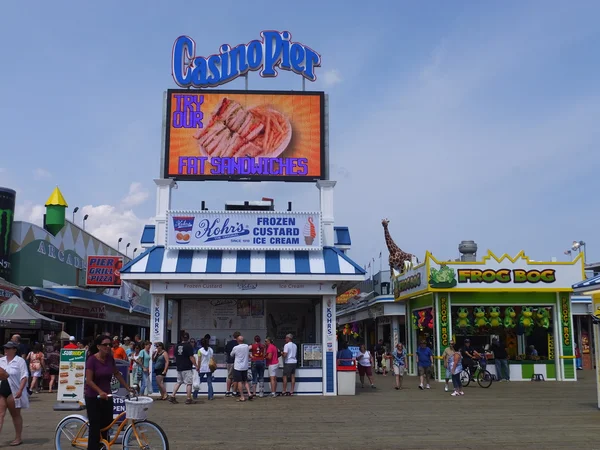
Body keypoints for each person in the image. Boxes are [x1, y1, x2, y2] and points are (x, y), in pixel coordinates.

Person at [85, 335, 134, 450]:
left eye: (109, 345)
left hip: (107, 396)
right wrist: (100, 392)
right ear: (98, 346)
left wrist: (127, 387)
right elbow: (89, 380)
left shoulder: (109, 359)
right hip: (94, 397)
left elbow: (116, 373)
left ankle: (103, 447)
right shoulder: (92, 360)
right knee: (95, 426)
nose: (108, 347)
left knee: (107, 425)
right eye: (105, 345)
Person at [0, 341, 28, 446]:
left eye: (8, 348)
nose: (6, 350)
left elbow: (24, 376)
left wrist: (20, 390)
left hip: (14, 391)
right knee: (0, 414)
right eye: (5, 348)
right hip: (2, 390)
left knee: (15, 415)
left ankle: (18, 437)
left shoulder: (20, 361)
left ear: (14, 350)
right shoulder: (1, 360)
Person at [169, 332, 196, 405]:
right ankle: (188, 398)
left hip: (179, 367)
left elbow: (175, 356)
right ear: (188, 338)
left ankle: (172, 396)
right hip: (187, 367)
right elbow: (191, 357)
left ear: (181, 338)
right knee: (189, 383)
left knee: (178, 382)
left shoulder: (177, 346)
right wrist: (196, 365)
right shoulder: (188, 346)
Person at [230, 335, 251, 402]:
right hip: (245, 366)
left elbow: (231, 355)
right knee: (245, 381)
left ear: (237, 340)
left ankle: (242, 396)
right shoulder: (246, 346)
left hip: (238, 367)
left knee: (239, 382)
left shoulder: (235, 348)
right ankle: (249, 393)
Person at [224, 331, 241, 397]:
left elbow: (225, 352)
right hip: (236, 362)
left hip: (229, 361)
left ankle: (227, 391)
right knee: (236, 378)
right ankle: (234, 391)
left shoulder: (229, 343)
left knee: (229, 377)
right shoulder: (239, 344)